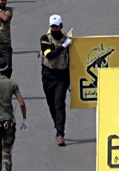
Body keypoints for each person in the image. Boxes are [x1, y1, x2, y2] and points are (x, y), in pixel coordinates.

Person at [39, 14, 71, 146]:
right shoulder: (45, 39)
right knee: (51, 104)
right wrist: (63, 46)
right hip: (48, 75)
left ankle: (60, 133)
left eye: (57, 27)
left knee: (59, 104)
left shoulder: (67, 40)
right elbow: (50, 55)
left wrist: (71, 81)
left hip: (61, 76)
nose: (55, 29)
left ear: (61, 26)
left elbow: (72, 62)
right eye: (52, 27)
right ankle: (57, 124)